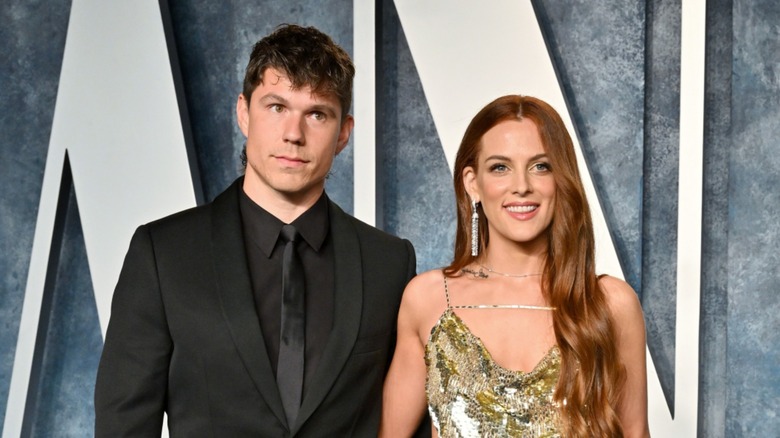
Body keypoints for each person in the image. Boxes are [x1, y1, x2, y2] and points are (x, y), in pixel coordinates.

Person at [95, 24, 419, 437]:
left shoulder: (388, 263)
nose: (293, 134)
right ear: (244, 113)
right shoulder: (163, 254)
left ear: (343, 134)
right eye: (276, 107)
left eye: (316, 114)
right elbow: (123, 424)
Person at [380, 95, 649, 437]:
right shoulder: (429, 298)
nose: (522, 186)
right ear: (472, 183)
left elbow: (635, 432)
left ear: (561, 180)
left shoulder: (610, 303)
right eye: (500, 167)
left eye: (541, 166)